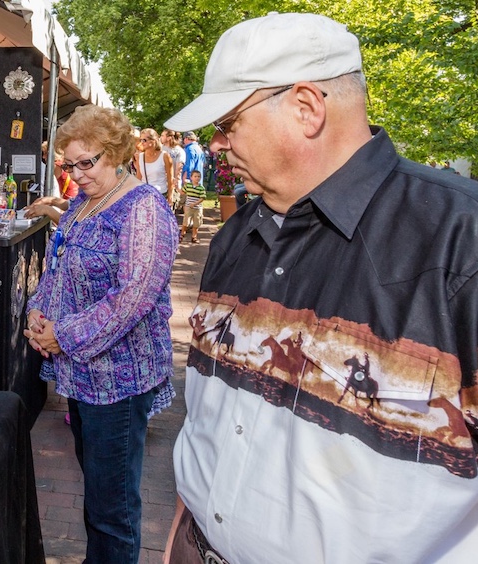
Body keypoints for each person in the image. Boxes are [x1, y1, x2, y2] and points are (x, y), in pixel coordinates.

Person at [162, 12, 478, 563]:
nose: (215, 144)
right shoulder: (236, 235)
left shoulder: (460, 242)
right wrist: (184, 529)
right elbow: (211, 416)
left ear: (306, 108)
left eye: (228, 122)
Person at [24, 104, 178, 563]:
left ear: (117, 154)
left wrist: (62, 336)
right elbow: (58, 271)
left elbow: (131, 297)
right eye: (68, 165)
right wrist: (38, 312)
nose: (75, 173)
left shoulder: (144, 208)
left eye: (85, 163)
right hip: (83, 377)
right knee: (97, 494)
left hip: (121, 381)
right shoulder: (83, 204)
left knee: (113, 508)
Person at [136, 128, 174, 204]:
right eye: (141, 140)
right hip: (144, 197)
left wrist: (170, 196)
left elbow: (170, 179)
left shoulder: (164, 156)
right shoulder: (139, 157)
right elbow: (139, 178)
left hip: (160, 195)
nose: (142, 142)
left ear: (153, 140)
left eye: (144, 140)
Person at [179, 169, 205, 243]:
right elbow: (182, 192)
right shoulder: (188, 186)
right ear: (191, 177)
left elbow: (202, 198)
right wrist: (176, 187)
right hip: (188, 207)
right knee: (186, 221)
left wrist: (195, 204)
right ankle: (182, 234)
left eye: (199, 176)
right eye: (195, 176)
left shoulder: (201, 188)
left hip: (197, 208)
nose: (197, 178)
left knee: (196, 223)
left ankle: (194, 237)